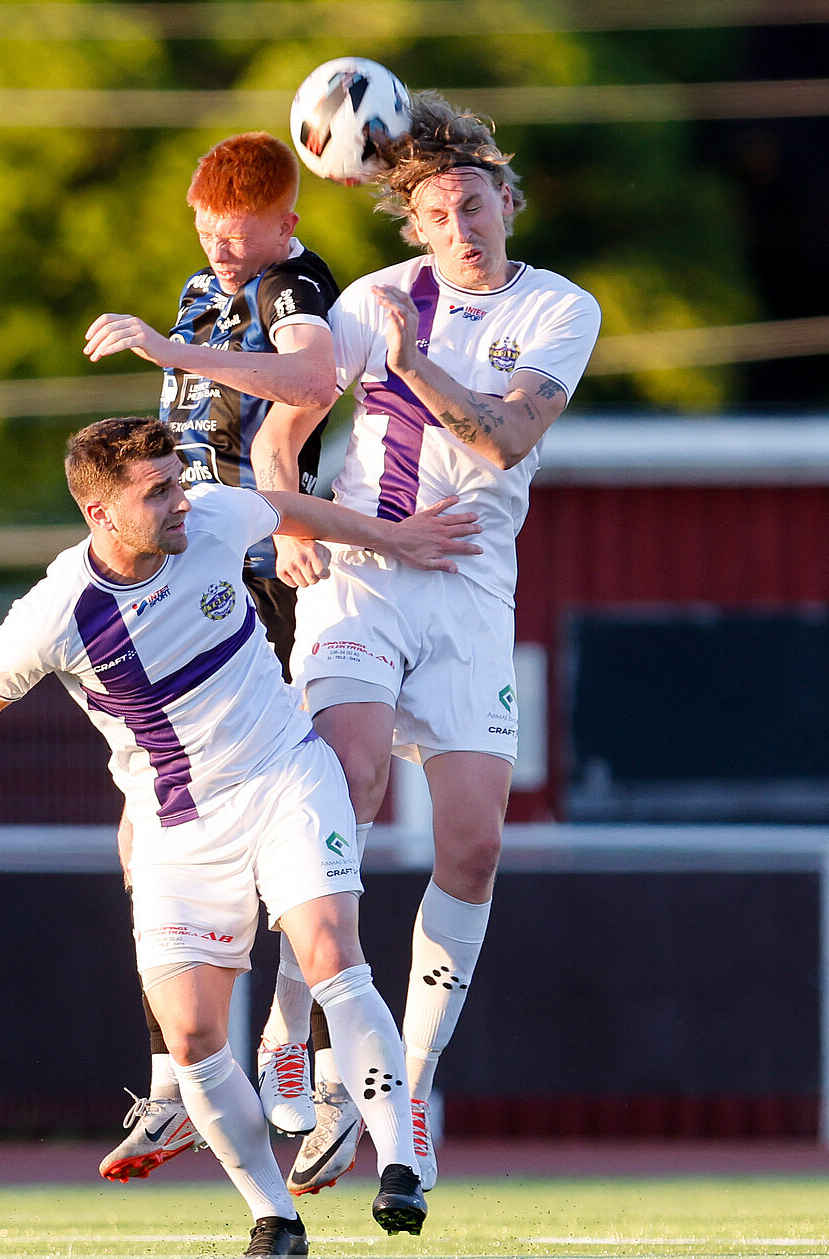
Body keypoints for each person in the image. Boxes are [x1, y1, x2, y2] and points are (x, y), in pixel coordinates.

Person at [0, 417, 481, 1259]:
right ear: (98, 513)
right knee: (190, 1036)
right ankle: (274, 1216)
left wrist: (392, 537)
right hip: (177, 830)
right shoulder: (54, 612)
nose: (182, 501)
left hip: (285, 778)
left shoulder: (215, 517)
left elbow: (299, 512)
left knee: (333, 950)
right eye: (157, 492)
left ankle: (402, 1161)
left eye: (178, 481)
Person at [261, 92, 601, 1196]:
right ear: (412, 224)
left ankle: (404, 1083)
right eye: (439, 211)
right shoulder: (369, 300)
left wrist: (414, 368)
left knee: (473, 844)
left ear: (508, 201)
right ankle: (299, 1043)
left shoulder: (559, 309)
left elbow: (502, 439)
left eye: (475, 203)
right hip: (364, 573)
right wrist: (294, 520)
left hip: (468, 593)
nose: (461, 225)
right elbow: (283, 434)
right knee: (343, 783)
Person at [83, 132, 339, 1170]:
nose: (223, 253)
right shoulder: (199, 284)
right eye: (209, 231)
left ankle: (302, 1063)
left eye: (241, 237)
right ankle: (175, 1078)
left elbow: (307, 372)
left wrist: (171, 350)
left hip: (251, 585)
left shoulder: (296, 282)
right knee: (151, 830)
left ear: (285, 222)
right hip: (175, 581)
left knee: (277, 827)